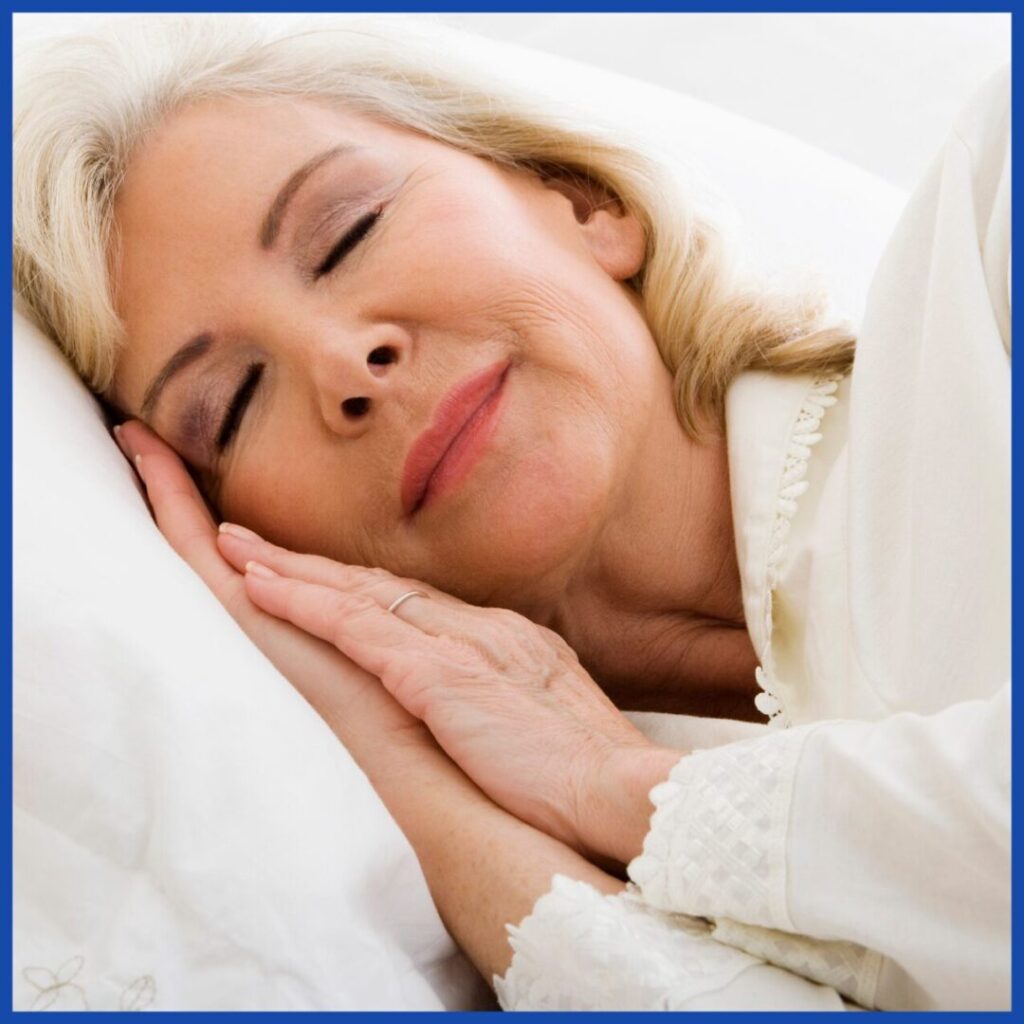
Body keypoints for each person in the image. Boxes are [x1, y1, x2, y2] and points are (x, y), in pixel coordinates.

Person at [13, 15, 1009, 1011]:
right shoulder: (546, 875)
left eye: (348, 230)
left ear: (586, 201)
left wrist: (624, 788)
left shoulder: (989, 228)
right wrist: (408, 777)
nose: (342, 364)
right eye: (230, 402)